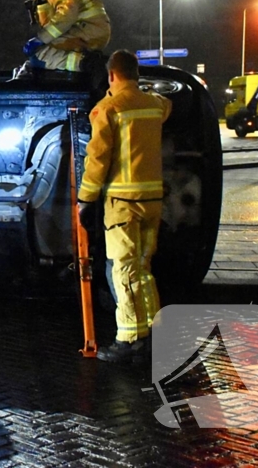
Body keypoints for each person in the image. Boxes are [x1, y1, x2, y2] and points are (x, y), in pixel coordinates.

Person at [78, 50, 171, 363]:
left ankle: (129, 339)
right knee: (143, 269)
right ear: (136, 74)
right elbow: (166, 105)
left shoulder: (107, 109)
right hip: (152, 201)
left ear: (111, 76)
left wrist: (85, 200)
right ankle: (150, 334)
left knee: (124, 271)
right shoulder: (154, 105)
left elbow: (97, 159)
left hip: (123, 204)